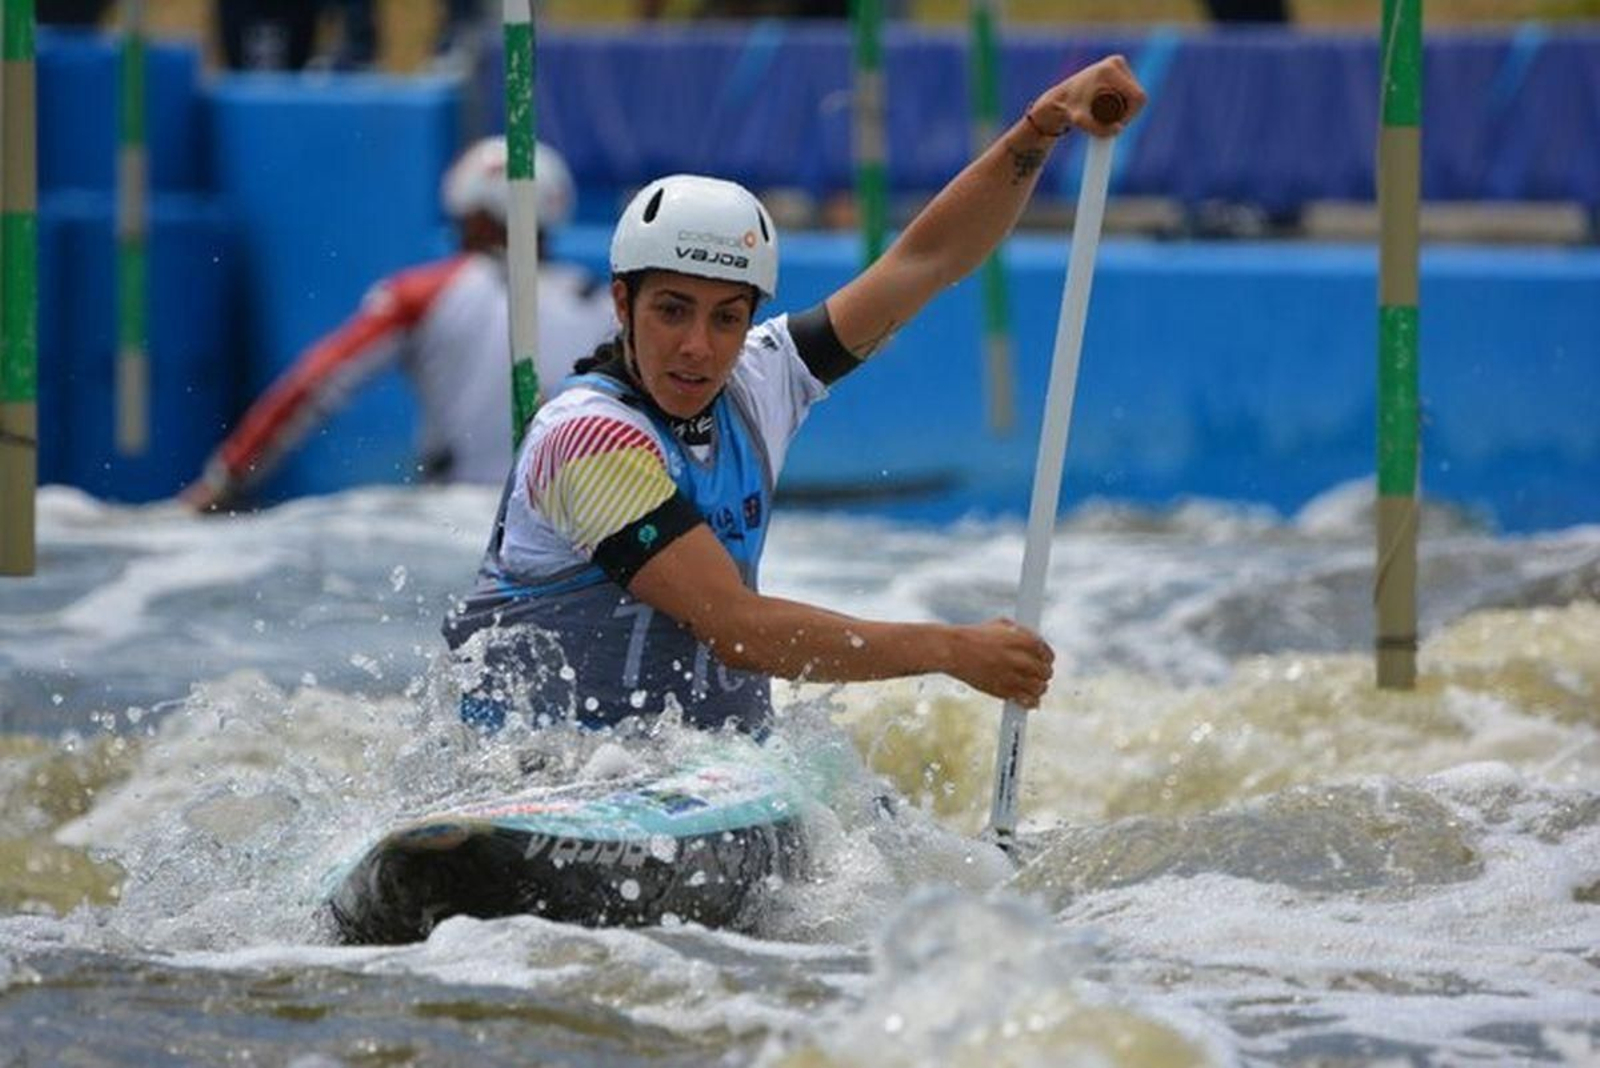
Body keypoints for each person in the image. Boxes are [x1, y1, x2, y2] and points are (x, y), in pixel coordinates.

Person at [443, 56, 1145, 737]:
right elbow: (736, 630)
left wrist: (1041, 125)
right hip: (532, 772)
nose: (698, 345)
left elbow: (927, 261)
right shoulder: (586, 439)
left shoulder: (760, 378)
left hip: (703, 777)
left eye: (727, 318)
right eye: (672, 310)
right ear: (624, 303)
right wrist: (951, 650)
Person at [182, 137, 616, 511]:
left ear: (473, 215)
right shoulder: (599, 303)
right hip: (563, 522)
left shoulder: (423, 294)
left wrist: (225, 479)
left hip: (453, 518)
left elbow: (315, 383)